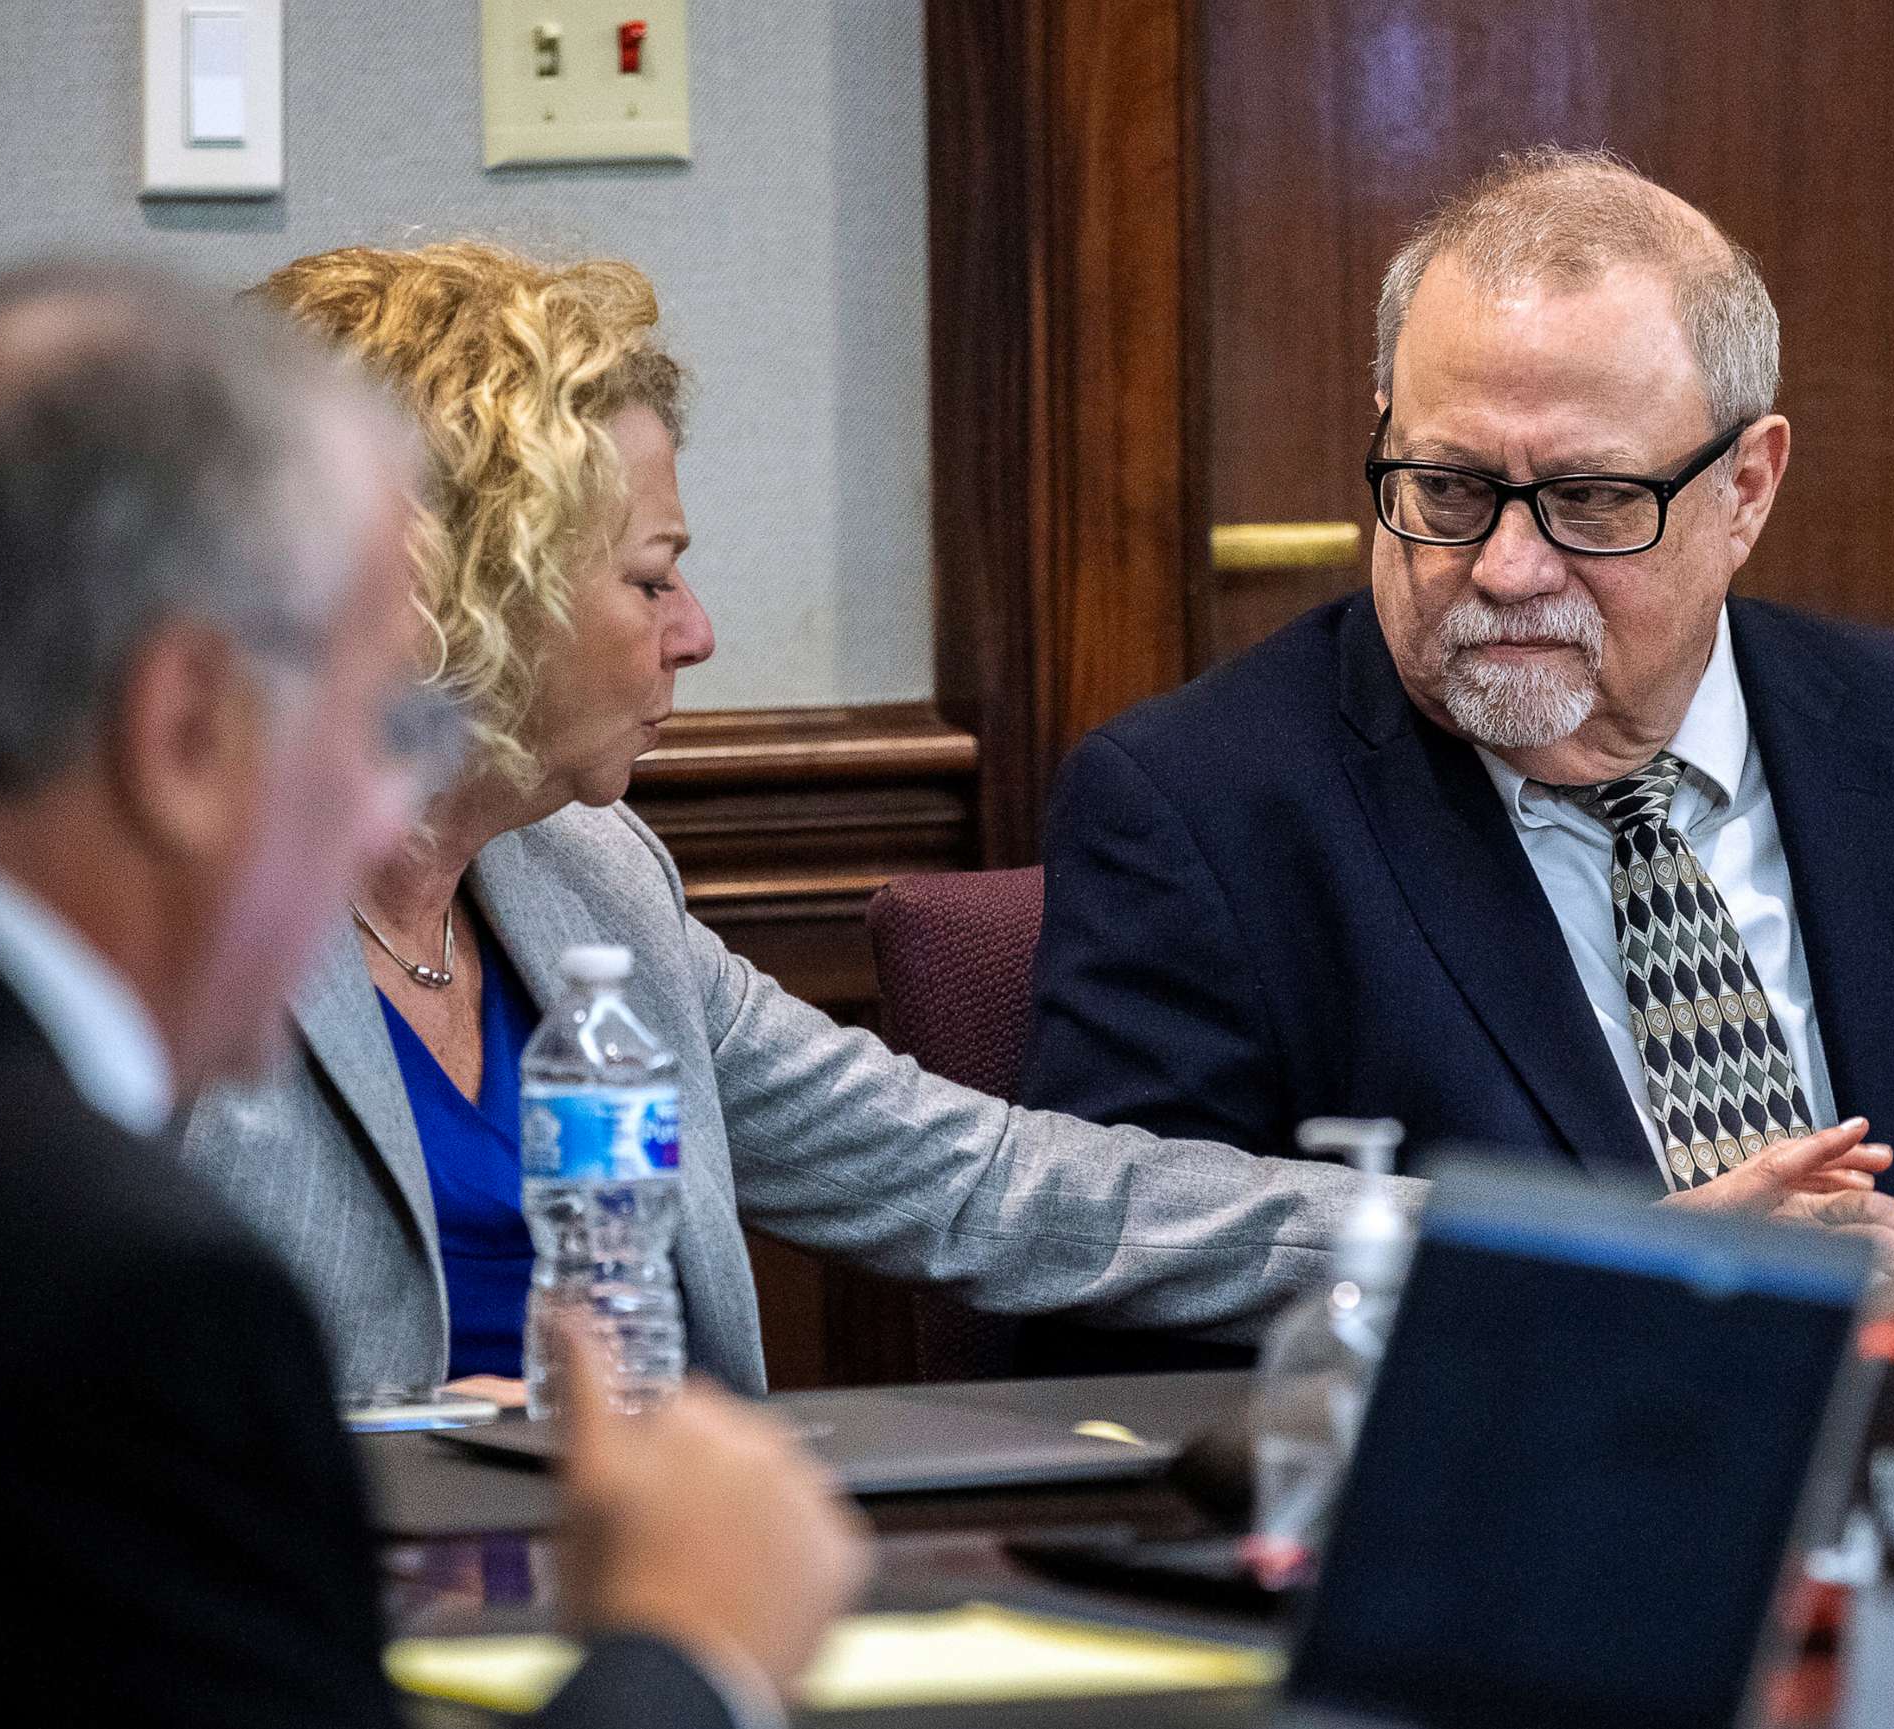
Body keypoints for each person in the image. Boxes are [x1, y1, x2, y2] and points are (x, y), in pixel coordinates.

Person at [185, 241, 1542, 1402]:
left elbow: (982, 1184)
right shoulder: (154, 936)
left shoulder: (589, 882)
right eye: (651, 580)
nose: (698, 635)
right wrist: (385, 1454)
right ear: (452, 601)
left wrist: (1540, 1256)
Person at [0, 261, 867, 1726]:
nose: (387, 819)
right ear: (185, 728)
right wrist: (693, 1649)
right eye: (380, 724)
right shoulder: (105, 1301)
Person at [1020, 148, 1894, 1333]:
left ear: (1747, 489)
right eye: (1447, 489)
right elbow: (1105, 1310)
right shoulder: (1202, 810)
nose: (1506, 569)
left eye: (1589, 500)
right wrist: (1634, 1292)